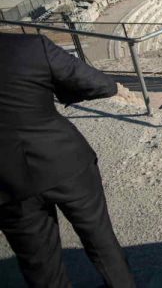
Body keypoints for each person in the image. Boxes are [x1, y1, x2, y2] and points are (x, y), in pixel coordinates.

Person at [0, 32, 135, 288]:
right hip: (64, 161)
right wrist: (53, 88)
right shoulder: (30, 46)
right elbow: (96, 84)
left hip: (7, 181)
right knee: (100, 240)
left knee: (40, 265)